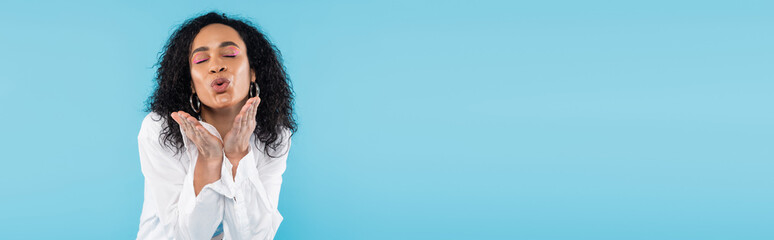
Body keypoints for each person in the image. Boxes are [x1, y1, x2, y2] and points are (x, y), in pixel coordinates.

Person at [136, 11, 297, 240]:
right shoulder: (160, 129)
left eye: (230, 54)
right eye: (201, 60)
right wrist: (210, 161)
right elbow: (187, 236)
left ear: (253, 72)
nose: (216, 66)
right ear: (191, 84)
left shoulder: (275, 136)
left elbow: (255, 236)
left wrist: (238, 156)